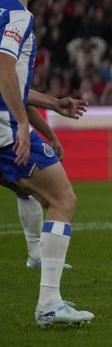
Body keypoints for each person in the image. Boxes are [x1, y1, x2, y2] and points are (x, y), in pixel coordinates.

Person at [0, 0, 93, 325]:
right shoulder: (18, 16)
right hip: (4, 131)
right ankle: (49, 304)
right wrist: (23, 124)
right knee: (62, 198)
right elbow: (4, 67)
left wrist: (54, 104)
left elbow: (15, 84)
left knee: (36, 192)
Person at [2, 91, 88, 270]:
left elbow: (21, 96)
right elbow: (15, 91)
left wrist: (51, 131)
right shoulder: (10, 71)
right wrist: (53, 108)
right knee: (62, 199)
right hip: (7, 134)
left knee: (23, 186)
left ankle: (36, 256)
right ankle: (49, 284)